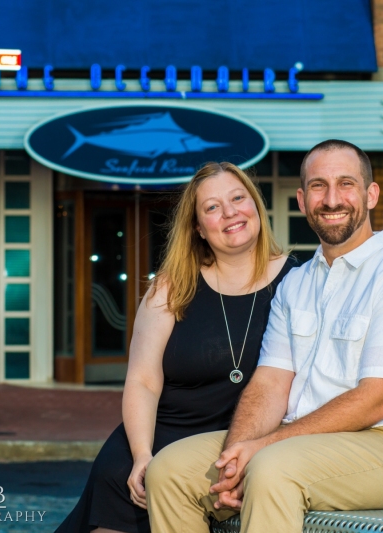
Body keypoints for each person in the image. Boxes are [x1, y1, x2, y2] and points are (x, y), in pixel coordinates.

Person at [145, 140, 383, 533]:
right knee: (170, 470)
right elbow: (271, 382)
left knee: (272, 469)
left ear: (370, 194)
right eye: (318, 186)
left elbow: (377, 398)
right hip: (300, 442)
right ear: (302, 200)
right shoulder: (297, 283)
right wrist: (236, 455)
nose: (331, 199)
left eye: (346, 184)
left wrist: (266, 447)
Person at [54, 161, 295, 533]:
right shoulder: (171, 287)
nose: (230, 212)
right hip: (158, 439)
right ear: (198, 227)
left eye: (237, 198)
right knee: (116, 490)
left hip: (239, 441)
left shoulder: (300, 280)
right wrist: (141, 456)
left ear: (256, 205)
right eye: (212, 207)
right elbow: (143, 381)